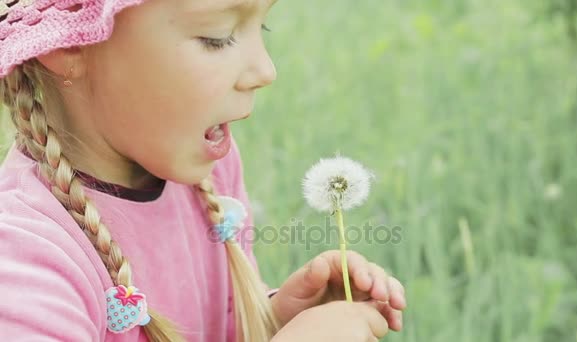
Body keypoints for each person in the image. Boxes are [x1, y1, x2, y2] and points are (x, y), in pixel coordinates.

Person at [0, 0, 406, 341]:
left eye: (261, 27)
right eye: (217, 37)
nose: (266, 71)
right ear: (70, 44)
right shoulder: (25, 262)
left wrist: (277, 319)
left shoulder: (207, 174)